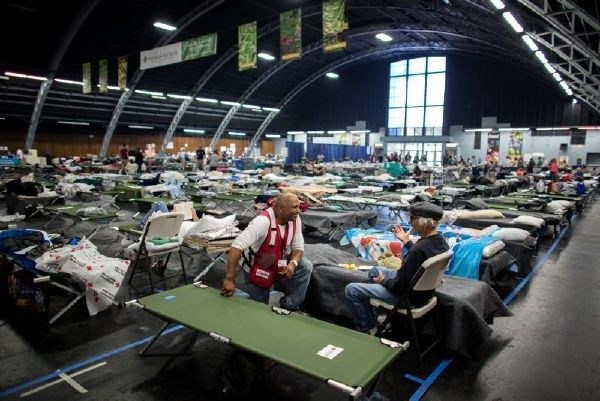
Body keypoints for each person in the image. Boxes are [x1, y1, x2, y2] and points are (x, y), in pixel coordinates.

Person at [345, 202, 449, 334]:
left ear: (425, 222)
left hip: (407, 297)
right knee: (375, 270)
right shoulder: (440, 241)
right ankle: (382, 314)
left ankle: (368, 328)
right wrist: (406, 241)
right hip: (424, 292)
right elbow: (423, 258)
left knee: (351, 289)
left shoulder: (417, 250)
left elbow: (398, 286)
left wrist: (383, 281)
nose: (410, 222)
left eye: (412, 218)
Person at [220, 193, 313, 311]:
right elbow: (236, 247)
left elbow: (298, 247)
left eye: (299, 207)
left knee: (305, 266)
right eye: (294, 207)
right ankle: (239, 293)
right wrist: (229, 279)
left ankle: (290, 306)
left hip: (277, 261)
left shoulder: (295, 219)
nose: (298, 211)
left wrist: (293, 263)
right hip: (257, 268)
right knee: (258, 310)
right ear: (280, 208)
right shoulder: (262, 222)